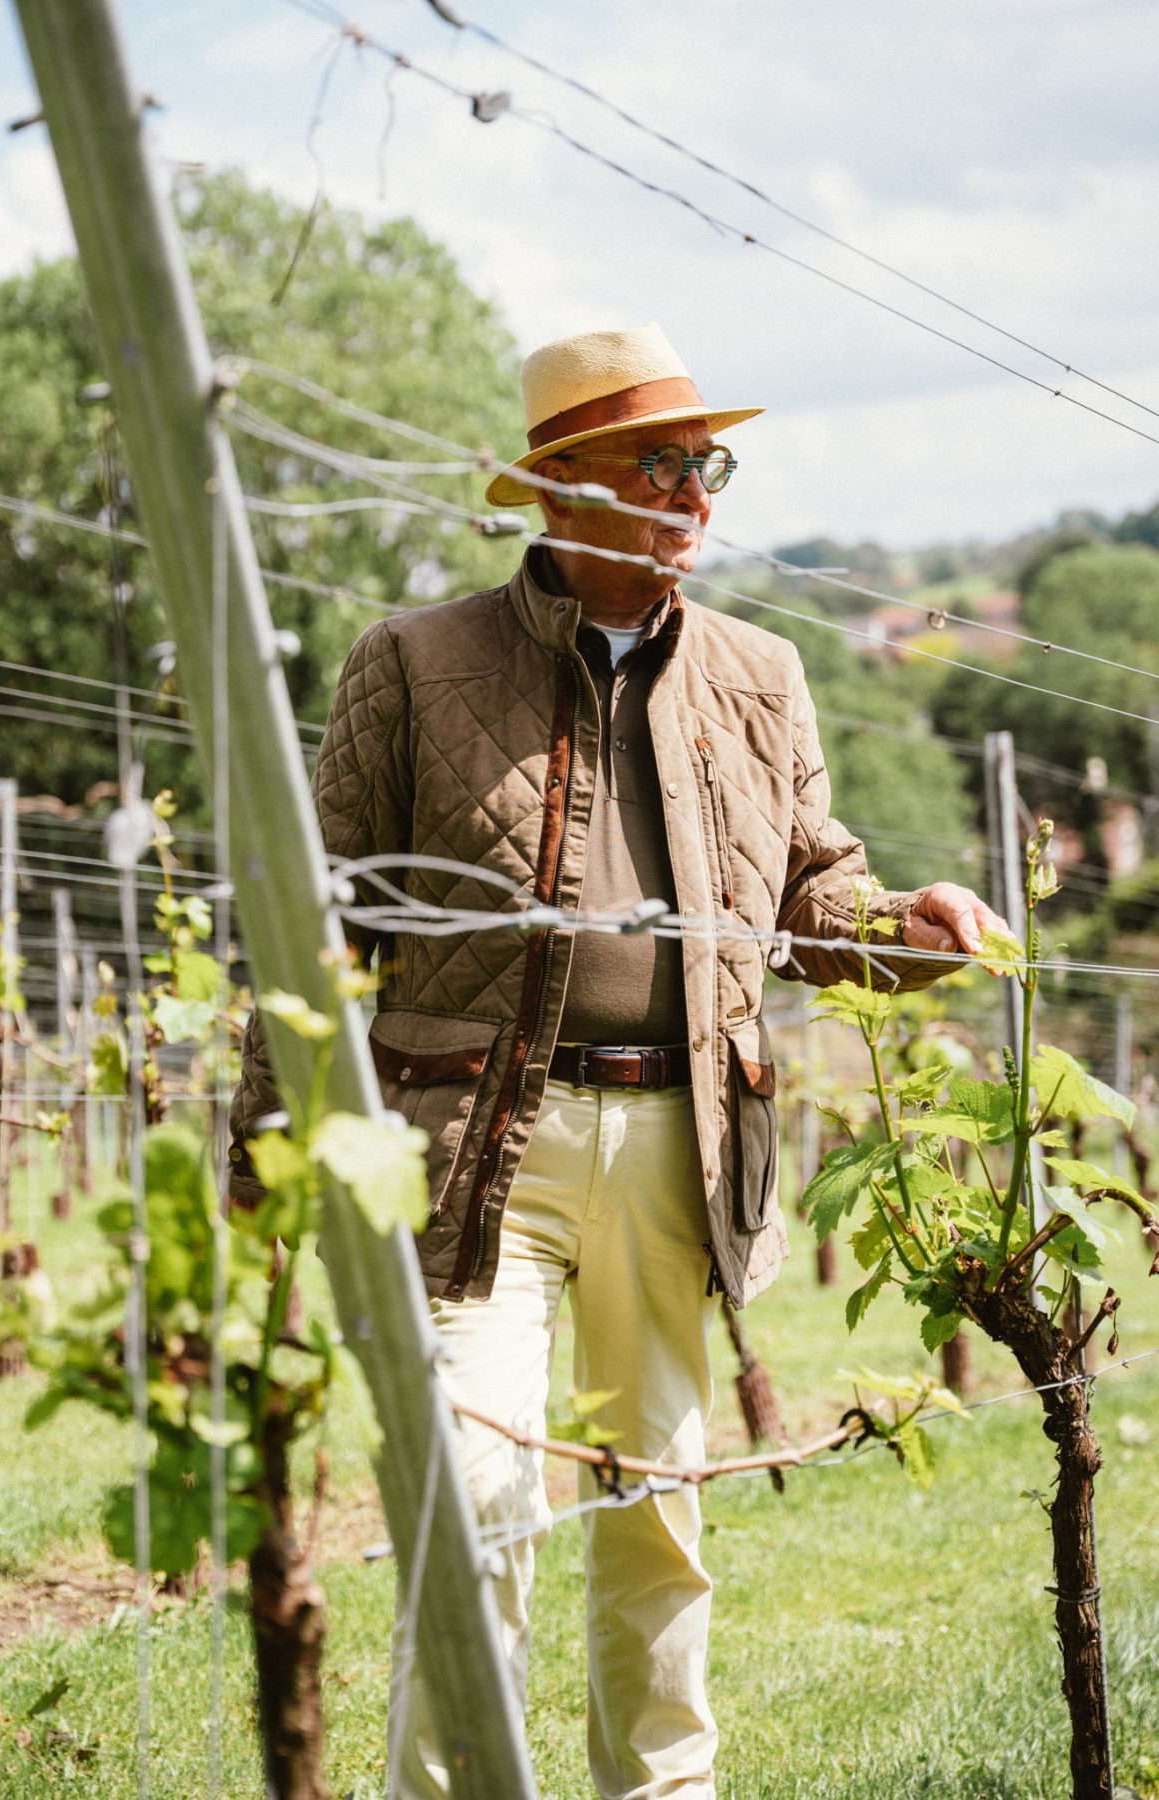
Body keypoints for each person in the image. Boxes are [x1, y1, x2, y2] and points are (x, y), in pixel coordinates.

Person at [229, 322, 1007, 1799]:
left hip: (681, 1143)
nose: (700, 492)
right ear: (563, 485)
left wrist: (912, 926)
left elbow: (812, 896)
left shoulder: (762, 675)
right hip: (471, 1150)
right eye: (665, 463)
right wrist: (268, 1167)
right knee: (480, 1499)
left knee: (656, 1514)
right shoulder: (410, 665)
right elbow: (308, 931)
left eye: (710, 462)